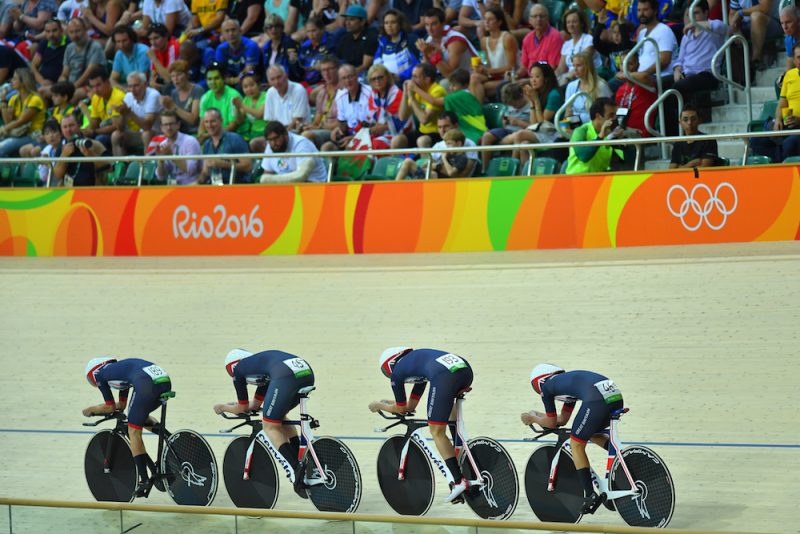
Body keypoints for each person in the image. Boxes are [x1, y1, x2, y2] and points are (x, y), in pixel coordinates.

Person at [368, 347, 474, 503]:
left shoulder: (397, 372)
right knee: (447, 413)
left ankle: (459, 482)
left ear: (389, 364)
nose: (388, 375)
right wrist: (390, 402)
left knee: (436, 431)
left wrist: (379, 405)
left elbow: (402, 409)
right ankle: (461, 458)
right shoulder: (417, 366)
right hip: (464, 370)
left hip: (444, 377)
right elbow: (410, 406)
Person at [520, 363, 624, 514]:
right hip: (614, 395)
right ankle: (624, 457)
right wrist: (539, 416)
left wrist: (532, 419)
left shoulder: (547, 387)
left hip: (596, 400)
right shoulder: (566, 386)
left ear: (538, 383)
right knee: (590, 432)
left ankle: (590, 495)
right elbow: (561, 420)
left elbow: (551, 423)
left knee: (576, 444)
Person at [213, 348, 315, 498]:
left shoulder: (239, 370)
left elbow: (243, 408)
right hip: (306, 372)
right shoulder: (262, 370)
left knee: (270, 425)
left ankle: (296, 468)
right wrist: (240, 405)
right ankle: (301, 461)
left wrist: (223, 407)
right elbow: (254, 405)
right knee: (279, 417)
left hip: (285, 376)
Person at [83, 356, 172, 497]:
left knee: (133, 431)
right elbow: (121, 405)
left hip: (146, 383)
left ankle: (144, 480)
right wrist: (105, 408)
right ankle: (172, 440)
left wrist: (92, 409)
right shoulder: (118, 371)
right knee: (138, 417)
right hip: (163, 381)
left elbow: (110, 407)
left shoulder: (99, 374)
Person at [669, 1, 727, 115]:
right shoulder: (687, 35)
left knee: (678, 88)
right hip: (687, 75)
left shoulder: (714, 28)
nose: (692, 18)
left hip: (707, 75)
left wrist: (695, 24)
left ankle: (682, 121)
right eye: (689, 15)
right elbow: (679, 60)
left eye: (695, 13)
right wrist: (677, 69)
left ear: (706, 13)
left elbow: (725, 28)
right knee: (661, 85)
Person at [395, 111, 479, 180]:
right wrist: (437, 166)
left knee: (431, 174)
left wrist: (438, 166)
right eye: (439, 127)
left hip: (451, 183)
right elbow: (426, 165)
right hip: (434, 176)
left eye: (446, 126)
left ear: (455, 126)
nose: (442, 130)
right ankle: (394, 190)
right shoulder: (439, 145)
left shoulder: (469, 144)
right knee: (408, 162)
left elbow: (462, 176)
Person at [470, 6, 518, 103]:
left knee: (479, 87)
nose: (486, 22)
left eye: (490, 19)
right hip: (494, 76)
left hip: (509, 76)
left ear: (499, 22)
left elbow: (511, 67)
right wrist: (481, 68)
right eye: (485, 19)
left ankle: (478, 113)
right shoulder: (484, 41)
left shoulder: (507, 38)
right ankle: (478, 112)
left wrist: (488, 71)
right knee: (474, 76)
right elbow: (489, 65)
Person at [565, 97, 624, 175]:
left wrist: (621, 143)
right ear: (598, 116)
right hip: (577, 178)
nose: (614, 118)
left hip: (601, 179)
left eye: (615, 115)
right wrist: (600, 137)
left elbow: (624, 160)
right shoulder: (580, 131)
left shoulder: (611, 133)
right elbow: (583, 156)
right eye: (611, 115)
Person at [320, 63, 371, 151]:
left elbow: (373, 125)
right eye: (344, 78)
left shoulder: (369, 93)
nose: (348, 81)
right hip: (350, 135)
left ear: (357, 76)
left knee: (349, 147)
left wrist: (354, 138)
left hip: (368, 135)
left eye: (350, 76)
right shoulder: (340, 96)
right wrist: (339, 130)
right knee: (326, 148)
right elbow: (342, 123)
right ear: (340, 81)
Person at [417, 7, 477, 78]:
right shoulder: (429, 40)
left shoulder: (454, 40)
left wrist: (433, 56)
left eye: (433, 24)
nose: (430, 29)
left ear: (443, 24)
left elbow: (451, 75)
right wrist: (425, 53)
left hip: (468, 78)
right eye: (427, 25)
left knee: (443, 84)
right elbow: (427, 71)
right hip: (447, 78)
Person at [259, 120, 328, 183]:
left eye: (276, 138)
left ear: (285, 134)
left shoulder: (301, 144)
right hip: (288, 187)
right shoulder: (271, 146)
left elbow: (301, 176)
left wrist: (268, 179)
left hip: (313, 184)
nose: (273, 143)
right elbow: (267, 173)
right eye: (270, 140)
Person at [111, 71, 161, 156]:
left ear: (145, 85)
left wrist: (130, 113)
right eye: (130, 86)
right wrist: (123, 114)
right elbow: (120, 128)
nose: (132, 90)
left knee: (146, 134)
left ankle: (148, 166)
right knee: (116, 135)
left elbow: (147, 126)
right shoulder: (128, 96)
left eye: (136, 86)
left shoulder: (153, 95)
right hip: (141, 133)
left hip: (160, 134)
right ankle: (120, 166)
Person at [52, 113, 111, 186]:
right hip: (69, 192)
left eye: (71, 125)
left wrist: (91, 156)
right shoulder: (62, 148)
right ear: (61, 130)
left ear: (79, 125)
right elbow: (57, 175)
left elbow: (110, 168)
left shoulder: (94, 144)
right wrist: (64, 156)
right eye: (65, 127)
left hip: (91, 190)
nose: (68, 130)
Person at [399, 62, 447, 148]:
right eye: (412, 76)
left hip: (438, 133)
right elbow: (402, 116)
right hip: (422, 132)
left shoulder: (437, 91)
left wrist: (413, 97)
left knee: (422, 141)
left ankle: (425, 162)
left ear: (427, 79)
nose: (412, 80)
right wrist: (405, 94)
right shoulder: (417, 90)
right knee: (398, 140)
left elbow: (424, 120)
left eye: (415, 77)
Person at [0, 68, 46, 157]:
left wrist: (3, 129)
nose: (11, 81)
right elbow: (8, 122)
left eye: (15, 78)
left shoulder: (35, 99)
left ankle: (8, 169)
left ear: (23, 82)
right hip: (18, 134)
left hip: (33, 135)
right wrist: (3, 101)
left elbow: (21, 121)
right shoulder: (14, 99)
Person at [199, 107, 252, 184]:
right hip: (214, 187)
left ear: (221, 120)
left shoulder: (235, 139)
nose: (209, 125)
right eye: (206, 122)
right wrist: (196, 182)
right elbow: (205, 172)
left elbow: (248, 166)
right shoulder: (207, 144)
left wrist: (224, 164)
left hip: (236, 186)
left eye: (213, 121)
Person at [198, 63, 245, 143]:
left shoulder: (233, 96)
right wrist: (201, 137)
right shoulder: (205, 98)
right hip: (213, 136)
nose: (213, 82)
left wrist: (209, 136)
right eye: (209, 79)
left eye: (216, 78)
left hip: (234, 136)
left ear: (224, 79)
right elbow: (202, 124)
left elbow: (232, 126)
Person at [59, 18, 105, 100]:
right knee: (43, 91)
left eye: (78, 31)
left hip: (88, 86)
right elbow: (65, 73)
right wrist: (61, 84)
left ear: (85, 30)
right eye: (71, 32)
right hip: (70, 85)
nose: (75, 35)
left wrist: (69, 90)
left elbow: (86, 75)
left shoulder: (95, 47)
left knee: (71, 97)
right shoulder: (69, 48)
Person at [728, 0, 780, 72]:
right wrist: (736, 30)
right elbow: (732, 14)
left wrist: (740, 13)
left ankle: (756, 60)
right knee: (725, 29)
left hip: (772, 22)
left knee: (756, 16)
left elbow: (764, 8)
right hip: (746, 24)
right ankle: (735, 74)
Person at [81, 66, 126, 148]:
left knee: (100, 139)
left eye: (98, 85)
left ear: (108, 82)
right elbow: (94, 124)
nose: (95, 90)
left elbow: (116, 127)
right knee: (81, 140)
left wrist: (94, 132)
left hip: (124, 132)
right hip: (106, 133)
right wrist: (86, 112)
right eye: (92, 86)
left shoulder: (118, 97)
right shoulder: (96, 98)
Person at [301, 55, 340, 148]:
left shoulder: (344, 91)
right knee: (294, 134)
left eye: (330, 69)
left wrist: (319, 127)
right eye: (323, 70)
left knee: (306, 136)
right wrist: (310, 126)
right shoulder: (321, 92)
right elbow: (318, 118)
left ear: (338, 69)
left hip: (335, 131)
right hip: (321, 129)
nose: (327, 73)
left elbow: (342, 122)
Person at [154, 109, 202, 184]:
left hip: (192, 185)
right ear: (161, 127)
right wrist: (161, 161)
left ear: (178, 125)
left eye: (171, 124)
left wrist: (171, 156)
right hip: (172, 186)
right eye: (166, 124)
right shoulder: (163, 144)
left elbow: (191, 170)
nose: (169, 128)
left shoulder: (190, 141)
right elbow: (160, 176)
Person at [556, 8, 601, 86]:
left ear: (582, 23)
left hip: (587, 77)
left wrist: (566, 78)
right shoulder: (567, 44)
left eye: (574, 22)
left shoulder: (588, 39)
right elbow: (560, 69)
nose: (571, 25)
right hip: (570, 78)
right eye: (568, 22)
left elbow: (582, 63)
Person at [517, 4, 564, 79]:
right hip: (530, 78)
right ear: (530, 20)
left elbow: (552, 67)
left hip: (545, 79)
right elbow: (524, 67)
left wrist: (531, 80)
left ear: (547, 19)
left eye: (542, 16)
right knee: (504, 86)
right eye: (535, 16)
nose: (538, 19)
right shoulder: (527, 39)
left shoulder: (555, 37)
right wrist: (515, 75)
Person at [565, 52, 612, 125]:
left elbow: (608, 112)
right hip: (575, 125)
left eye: (578, 65)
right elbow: (568, 111)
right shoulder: (571, 86)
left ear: (588, 66)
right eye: (573, 66)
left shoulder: (600, 85)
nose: (575, 69)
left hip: (596, 125)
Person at [373, 9, 419, 84]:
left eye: (393, 22)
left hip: (406, 82)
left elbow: (418, 64)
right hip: (385, 83)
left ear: (400, 24)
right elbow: (376, 64)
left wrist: (400, 76)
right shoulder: (382, 43)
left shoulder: (410, 39)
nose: (389, 26)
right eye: (386, 23)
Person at [335, 5, 378, 78]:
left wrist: (347, 75)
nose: (347, 23)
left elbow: (365, 66)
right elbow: (337, 60)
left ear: (363, 21)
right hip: (346, 75)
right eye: (347, 19)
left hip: (364, 76)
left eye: (351, 19)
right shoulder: (344, 38)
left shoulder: (371, 37)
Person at [215, 19, 262, 87]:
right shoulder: (220, 49)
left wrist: (231, 80)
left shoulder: (251, 46)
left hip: (251, 79)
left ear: (240, 31)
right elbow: (220, 72)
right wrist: (227, 80)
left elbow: (249, 70)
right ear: (223, 34)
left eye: (233, 30)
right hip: (230, 80)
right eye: (227, 31)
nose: (231, 33)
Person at [161, 60, 203, 134]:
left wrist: (173, 106)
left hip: (193, 132)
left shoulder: (197, 90)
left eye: (179, 75)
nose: (175, 79)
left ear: (187, 75)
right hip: (178, 133)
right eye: (172, 76)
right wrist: (166, 107)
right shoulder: (174, 93)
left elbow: (193, 120)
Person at [29, 18, 67, 96]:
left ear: (61, 31)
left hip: (58, 84)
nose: (51, 35)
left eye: (54, 30)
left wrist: (53, 84)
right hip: (41, 82)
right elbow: (33, 66)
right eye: (48, 31)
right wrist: (42, 81)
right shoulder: (44, 43)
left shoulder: (68, 44)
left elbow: (66, 73)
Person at [261, 14, 302, 82]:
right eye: (270, 27)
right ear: (266, 30)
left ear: (282, 28)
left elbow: (294, 72)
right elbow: (265, 70)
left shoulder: (290, 44)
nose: (273, 29)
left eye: (277, 26)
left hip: (288, 82)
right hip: (272, 83)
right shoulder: (266, 47)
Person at [111, 24, 151, 91]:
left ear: (132, 39)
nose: (121, 45)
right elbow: (112, 79)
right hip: (129, 88)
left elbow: (142, 81)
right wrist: (124, 89)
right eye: (118, 42)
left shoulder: (143, 52)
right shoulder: (119, 54)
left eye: (124, 41)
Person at [146, 22, 180, 92]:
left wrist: (154, 59)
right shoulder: (154, 48)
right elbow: (153, 75)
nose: (153, 43)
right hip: (163, 83)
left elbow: (169, 78)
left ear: (166, 37)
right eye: (150, 39)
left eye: (156, 38)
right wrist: (152, 83)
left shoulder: (174, 47)